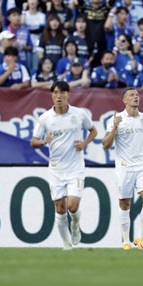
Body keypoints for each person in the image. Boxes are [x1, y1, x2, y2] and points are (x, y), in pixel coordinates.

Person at [31, 81, 98, 250]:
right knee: (60, 208)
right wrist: (42, 141)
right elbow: (33, 142)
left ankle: (75, 224)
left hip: (75, 168)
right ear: (51, 95)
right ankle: (67, 245)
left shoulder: (79, 114)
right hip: (56, 169)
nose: (58, 96)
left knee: (72, 206)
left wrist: (84, 143)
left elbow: (93, 131)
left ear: (68, 94)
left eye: (62, 93)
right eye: (55, 93)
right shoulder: (45, 118)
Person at [102, 88, 143, 250]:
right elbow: (105, 145)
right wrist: (114, 128)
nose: (136, 97)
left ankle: (140, 237)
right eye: (132, 95)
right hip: (124, 168)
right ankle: (125, 241)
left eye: (137, 95)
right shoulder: (116, 119)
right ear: (124, 100)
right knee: (124, 204)